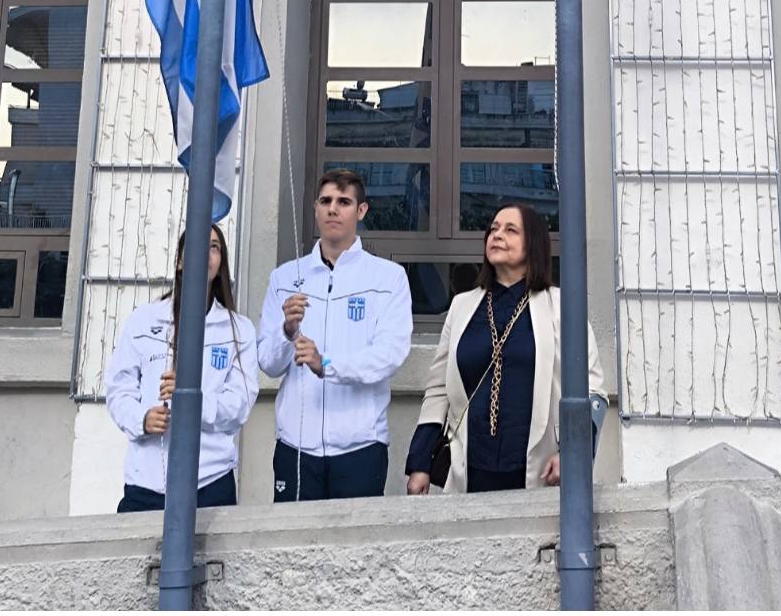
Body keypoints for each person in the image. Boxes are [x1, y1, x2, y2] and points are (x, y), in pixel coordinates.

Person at [405, 202, 604, 495]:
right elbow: (438, 390)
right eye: (493, 229)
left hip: (538, 471)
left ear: (533, 244)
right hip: (469, 469)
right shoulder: (462, 306)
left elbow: (594, 391)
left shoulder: (562, 306)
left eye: (511, 230)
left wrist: (573, 454)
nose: (497, 235)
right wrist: (420, 463)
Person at [257, 168, 413, 501]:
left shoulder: (388, 278)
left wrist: (326, 364)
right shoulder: (284, 277)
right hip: (296, 445)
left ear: (361, 211)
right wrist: (286, 332)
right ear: (315, 209)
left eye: (343, 202)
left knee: (354, 537)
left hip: (360, 446)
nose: (333, 209)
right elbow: (268, 363)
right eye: (325, 201)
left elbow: (388, 356)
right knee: (293, 534)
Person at [106, 222, 258, 511]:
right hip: (146, 482)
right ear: (179, 261)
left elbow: (239, 406)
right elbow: (118, 389)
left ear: (221, 263)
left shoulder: (239, 330)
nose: (205, 253)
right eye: (197, 245)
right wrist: (141, 419)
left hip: (210, 481)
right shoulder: (144, 320)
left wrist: (192, 398)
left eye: (214, 247)